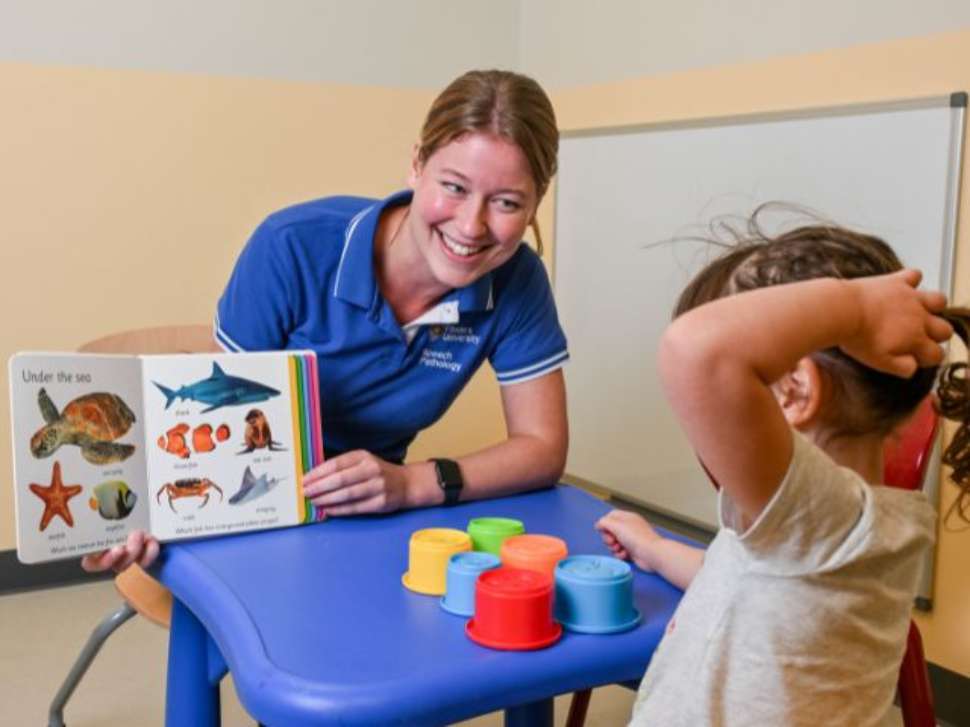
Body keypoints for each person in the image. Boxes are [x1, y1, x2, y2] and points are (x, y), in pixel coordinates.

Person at [82, 69, 569, 572]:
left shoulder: (517, 277)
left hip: (371, 517)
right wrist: (133, 511)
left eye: (507, 202)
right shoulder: (291, 245)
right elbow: (220, 424)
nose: (472, 226)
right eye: (454, 186)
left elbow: (542, 447)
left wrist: (413, 484)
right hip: (247, 508)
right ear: (417, 165)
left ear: (537, 200)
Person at [596, 216, 970, 726]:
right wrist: (658, 551)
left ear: (795, 389)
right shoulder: (840, 527)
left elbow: (693, 350)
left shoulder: (823, 516)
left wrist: (856, 309)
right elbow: (743, 581)